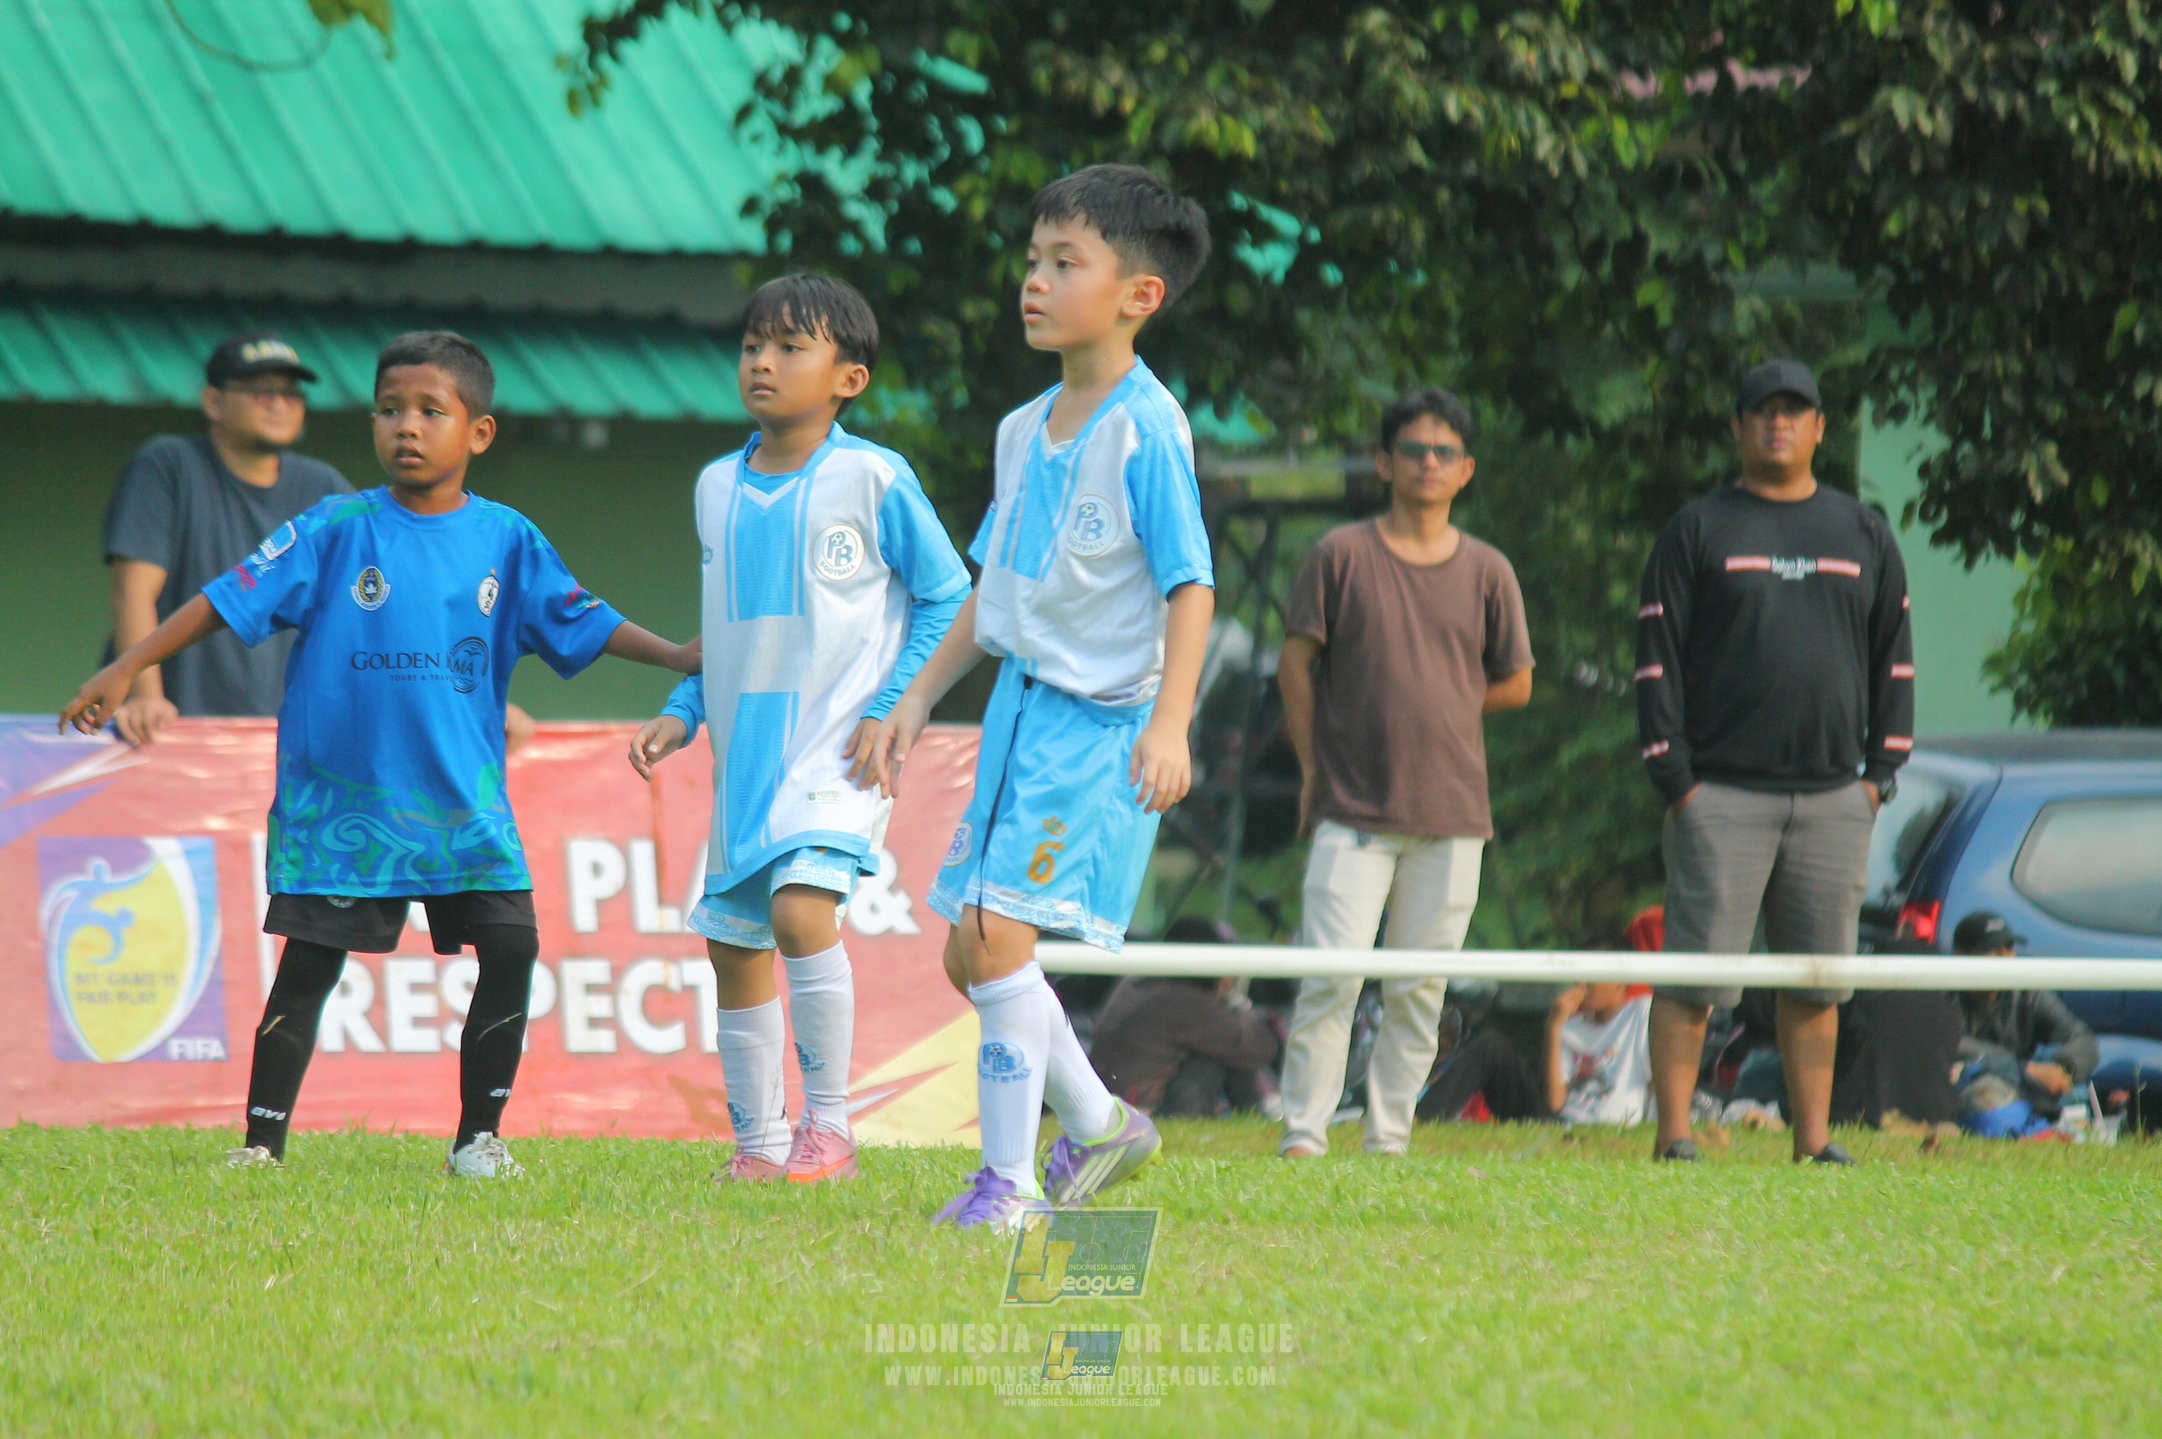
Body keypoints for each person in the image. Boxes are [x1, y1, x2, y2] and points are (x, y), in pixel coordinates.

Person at [62, 332, 700, 1177]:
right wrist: (127, 664)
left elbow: (586, 618)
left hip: (460, 806)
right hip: (345, 810)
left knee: (512, 948)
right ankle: (260, 1144)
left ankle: (479, 1139)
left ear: (478, 433)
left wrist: (676, 657)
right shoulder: (334, 526)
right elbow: (223, 598)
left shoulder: (508, 539)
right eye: (390, 409)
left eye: (431, 410)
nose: (407, 425)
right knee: (309, 968)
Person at [867, 164, 1216, 1231]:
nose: (1034, 280)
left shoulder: (1144, 428)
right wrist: (917, 696)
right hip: (1016, 711)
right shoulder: (1024, 428)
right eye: (1032, 259)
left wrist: (1171, 721)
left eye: (1065, 263)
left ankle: (1008, 1187)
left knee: (1000, 939)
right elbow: (993, 588)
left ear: (1136, 294)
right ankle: (1103, 1121)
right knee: (967, 950)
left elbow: (1190, 583)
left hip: (1096, 722)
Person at [626, 274, 968, 1185]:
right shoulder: (713, 488)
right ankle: (759, 1145)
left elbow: (949, 595)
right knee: (732, 944)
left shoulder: (874, 476)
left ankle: (831, 1129)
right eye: (752, 345)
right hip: (748, 761)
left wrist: (897, 704)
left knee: (797, 910)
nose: (762, 361)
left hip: (840, 750)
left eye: (788, 346)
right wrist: (681, 710)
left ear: (848, 377)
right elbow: (729, 630)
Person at [1635, 357, 1914, 1165]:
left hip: (1835, 797)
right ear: (1738, 426)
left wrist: (1877, 776)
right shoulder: (1698, 528)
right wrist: (1676, 780)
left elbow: (1894, 657)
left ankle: (1814, 1142)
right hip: (1718, 795)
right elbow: (1657, 662)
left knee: (1817, 979)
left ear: (1822, 428)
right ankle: (1674, 1136)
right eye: (1763, 410)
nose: (1778, 423)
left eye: (1796, 411)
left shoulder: (1863, 532)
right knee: (1694, 975)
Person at [1275, 386, 1534, 1160]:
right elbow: (1296, 664)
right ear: (1385, 462)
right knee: (1330, 980)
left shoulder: (1489, 569)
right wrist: (1311, 765)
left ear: (1467, 470)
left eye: (1445, 452)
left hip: (1454, 813)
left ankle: (1388, 1136)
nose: (1429, 463)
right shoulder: (1340, 555)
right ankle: (1303, 1133)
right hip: (1351, 810)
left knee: (1419, 990)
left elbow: (1517, 680)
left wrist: (1447, 703)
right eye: (1414, 450)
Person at [101, 331, 354, 741]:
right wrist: (144, 696)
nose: (278, 403)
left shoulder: (324, 488)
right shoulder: (168, 464)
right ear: (213, 402)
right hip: (167, 731)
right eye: (261, 390)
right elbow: (132, 591)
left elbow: (382, 604)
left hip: (281, 738)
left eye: (291, 393)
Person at [1087, 916, 1283, 1116]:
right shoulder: (1181, 1001)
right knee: (1224, 1057)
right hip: (1141, 1110)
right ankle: (1254, 1117)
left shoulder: (1138, 982)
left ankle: (1253, 1117)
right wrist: (1230, 1000)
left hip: (1109, 1102)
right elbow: (1260, 1046)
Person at [1416, 982, 1655, 1126]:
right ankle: (1422, 1119)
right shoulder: (1570, 1026)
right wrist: (1554, 1027)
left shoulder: (1640, 1012)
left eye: (1593, 976)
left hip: (1608, 1121)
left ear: (1620, 981)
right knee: (1491, 1046)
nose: (1584, 985)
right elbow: (1554, 1102)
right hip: (1559, 1122)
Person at [1950, 910, 2098, 1134]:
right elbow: (1952, 1046)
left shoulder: (2028, 993)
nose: (2005, 957)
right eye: (1992, 949)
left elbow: (2082, 1037)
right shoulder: (1943, 995)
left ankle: (2070, 1134)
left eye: (2008, 947)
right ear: (1961, 955)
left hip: (2022, 1091)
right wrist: (2024, 1070)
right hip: (1965, 1097)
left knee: (2071, 1080)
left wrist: (2063, 1068)